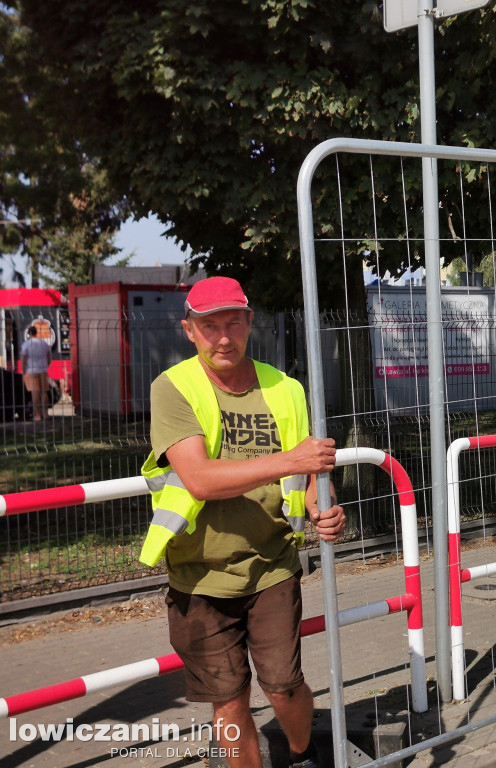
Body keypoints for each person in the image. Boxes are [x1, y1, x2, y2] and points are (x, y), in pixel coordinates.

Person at [139, 276, 345, 768]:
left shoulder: (285, 388)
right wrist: (291, 461)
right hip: (199, 574)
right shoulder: (173, 389)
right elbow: (200, 480)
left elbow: (311, 468)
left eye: (233, 322)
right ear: (189, 330)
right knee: (228, 700)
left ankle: (301, 755)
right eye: (210, 326)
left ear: (251, 322)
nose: (224, 336)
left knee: (283, 685)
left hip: (272, 564)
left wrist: (324, 507)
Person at [19, 324, 52, 422]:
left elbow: (23, 359)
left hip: (31, 370)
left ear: (29, 334)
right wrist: (45, 365)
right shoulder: (44, 344)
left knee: (35, 392)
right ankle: (46, 413)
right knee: (44, 392)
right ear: (37, 333)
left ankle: (38, 415)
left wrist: (24, 371)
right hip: (42, 369)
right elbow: (49, 357)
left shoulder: (26, 345)